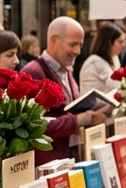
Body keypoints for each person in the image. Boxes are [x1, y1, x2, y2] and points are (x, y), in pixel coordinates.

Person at [20, 18, 107, 166]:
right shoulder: (33, 72)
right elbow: (32, 126)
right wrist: (81, 120)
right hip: (47, 165)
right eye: (72, 44)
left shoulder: (66, 70)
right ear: (54, 40)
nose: (78, 51)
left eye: (80, 45)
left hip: (67, 160)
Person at [79, 23, 126, 97]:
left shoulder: (114, 58)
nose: (123, 45)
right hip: (94, 107)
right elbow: (116, 86)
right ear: (109, 42)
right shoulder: (94, 62)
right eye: (120, 42)